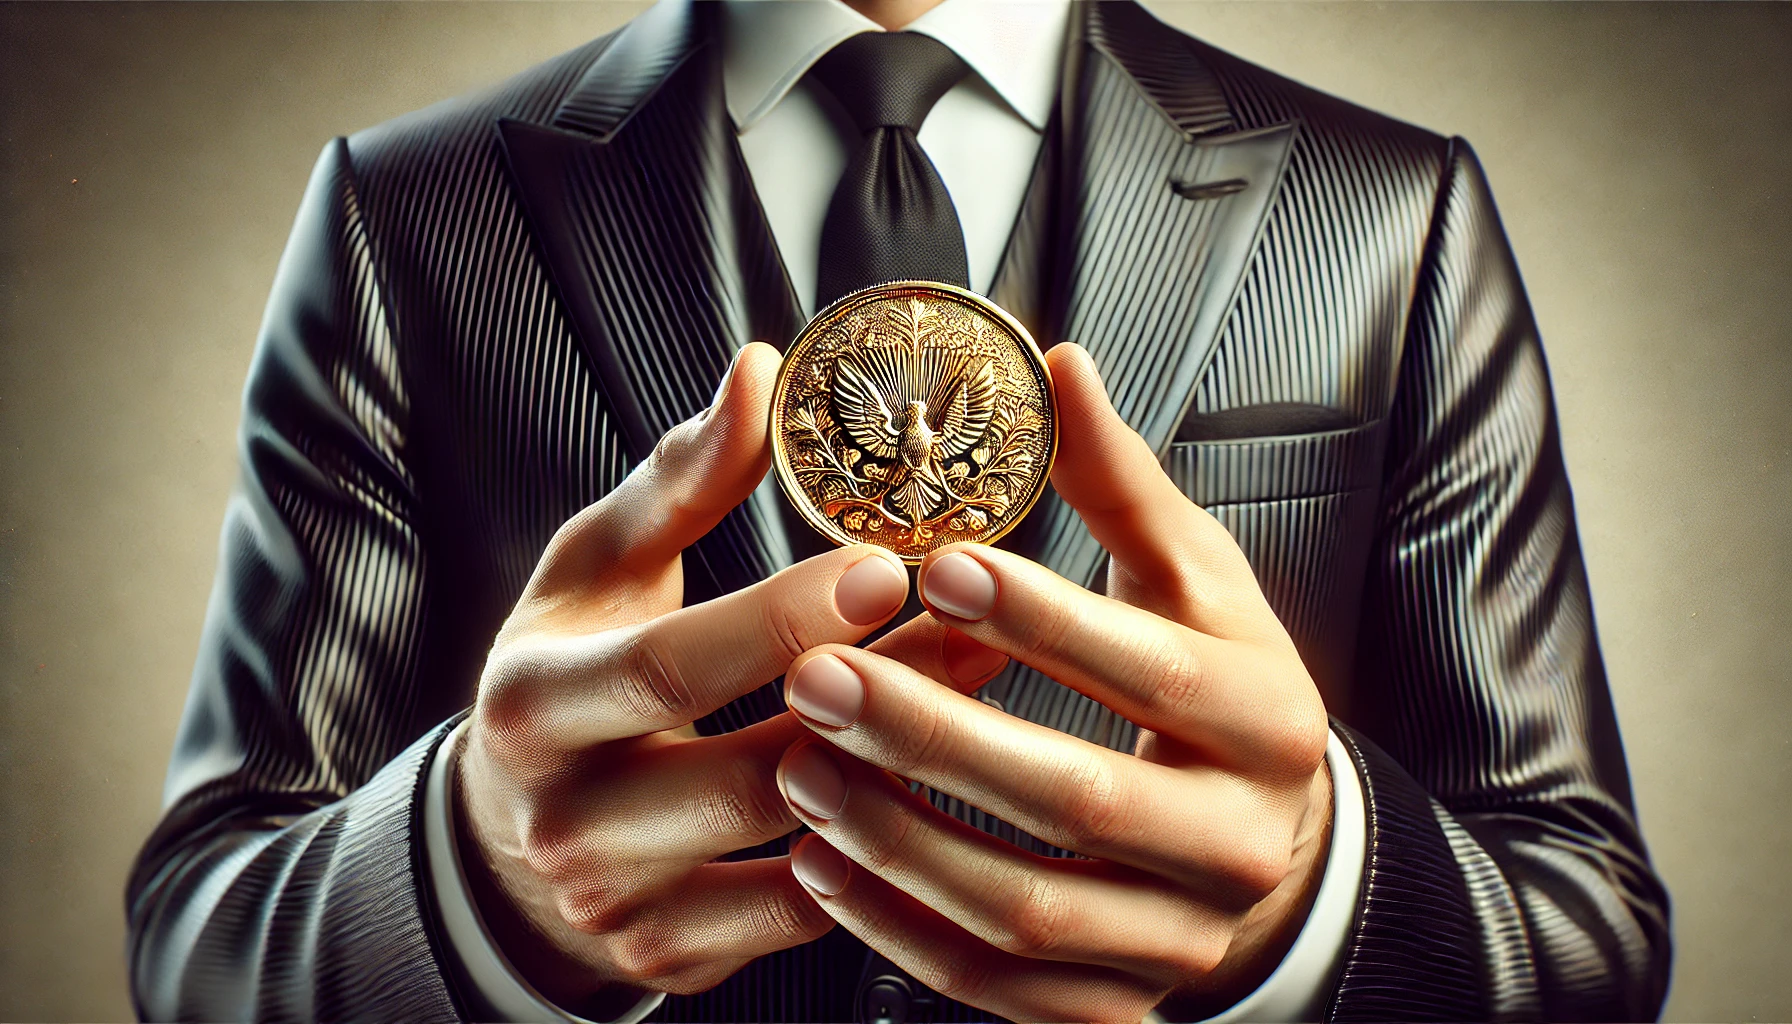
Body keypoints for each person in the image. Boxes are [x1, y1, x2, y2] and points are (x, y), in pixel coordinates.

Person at [125, 0, 1672, 1020]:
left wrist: (1314, 903)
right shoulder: (409, 214)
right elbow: (201, 931)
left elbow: (1585, 922)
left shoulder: (1386, 215)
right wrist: (475, 881)